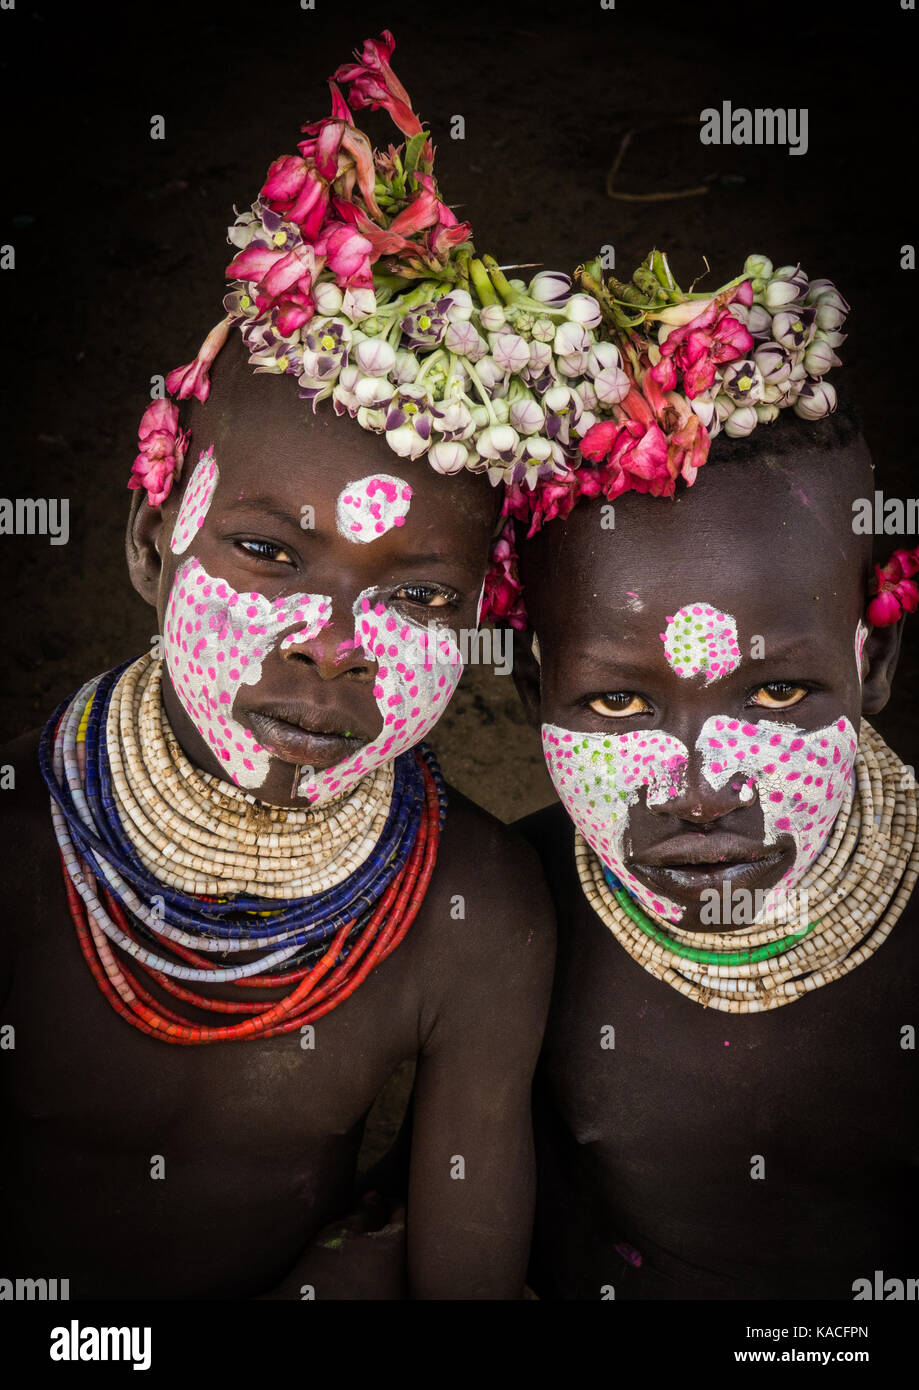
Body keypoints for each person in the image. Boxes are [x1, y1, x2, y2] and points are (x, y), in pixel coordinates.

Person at [0, 32, 558, 1301]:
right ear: (154, 542)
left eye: (417, 596)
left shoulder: (475, 912)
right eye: (266, 552)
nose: (333, 640)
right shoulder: (22, 843)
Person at [501, 250, 919, 1298]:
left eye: (776, 695)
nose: (698, 785)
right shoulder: (512, 908)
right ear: (527, 689)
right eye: (617, 703)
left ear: (874, 664)